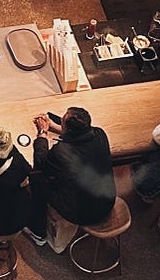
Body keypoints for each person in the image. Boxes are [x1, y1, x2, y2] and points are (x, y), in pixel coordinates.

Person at [26, 105, 115, 250]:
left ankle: (38, 232)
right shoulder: (99, 134)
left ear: (67, 128)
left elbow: (41, 162)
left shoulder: (62, 151)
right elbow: (78, 135)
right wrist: (54, 126)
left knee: (37, 179)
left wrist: (42, 133)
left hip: (81, 213)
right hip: (107, 201)